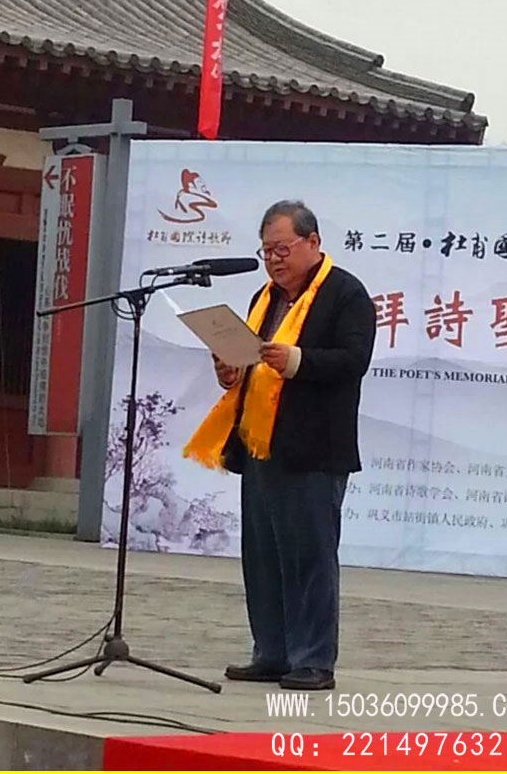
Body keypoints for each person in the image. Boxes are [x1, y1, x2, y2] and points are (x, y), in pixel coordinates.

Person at [183, 201, 376, 690]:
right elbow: (254, 367)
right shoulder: (264, 297)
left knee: (310, 558)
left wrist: (297, 361)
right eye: (266, 251)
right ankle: (271, 652)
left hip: (314, 450)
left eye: (282, 249)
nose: (273, 260)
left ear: (313, 242)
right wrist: (229, 370)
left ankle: (313, 661)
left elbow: (353, 360)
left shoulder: (345, 294)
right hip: (260, 446)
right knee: (264, 556)